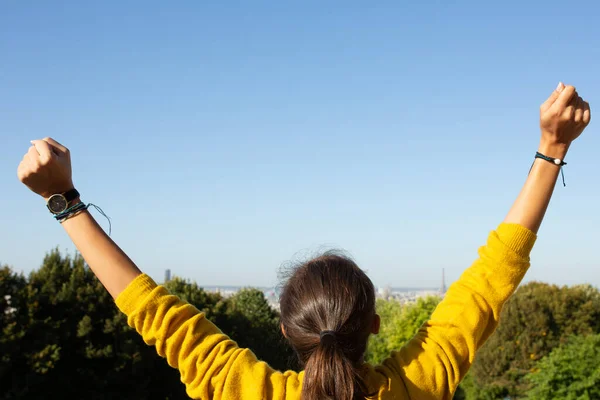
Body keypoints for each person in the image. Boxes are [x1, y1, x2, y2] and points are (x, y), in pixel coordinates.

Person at [17, 82, 590, 400]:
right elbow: (491, 279)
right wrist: (551, 148)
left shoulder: (244, 390)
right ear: (372, 324)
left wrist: (64, 200)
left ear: (286, 332)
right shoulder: (417, 384)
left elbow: (151, 309)